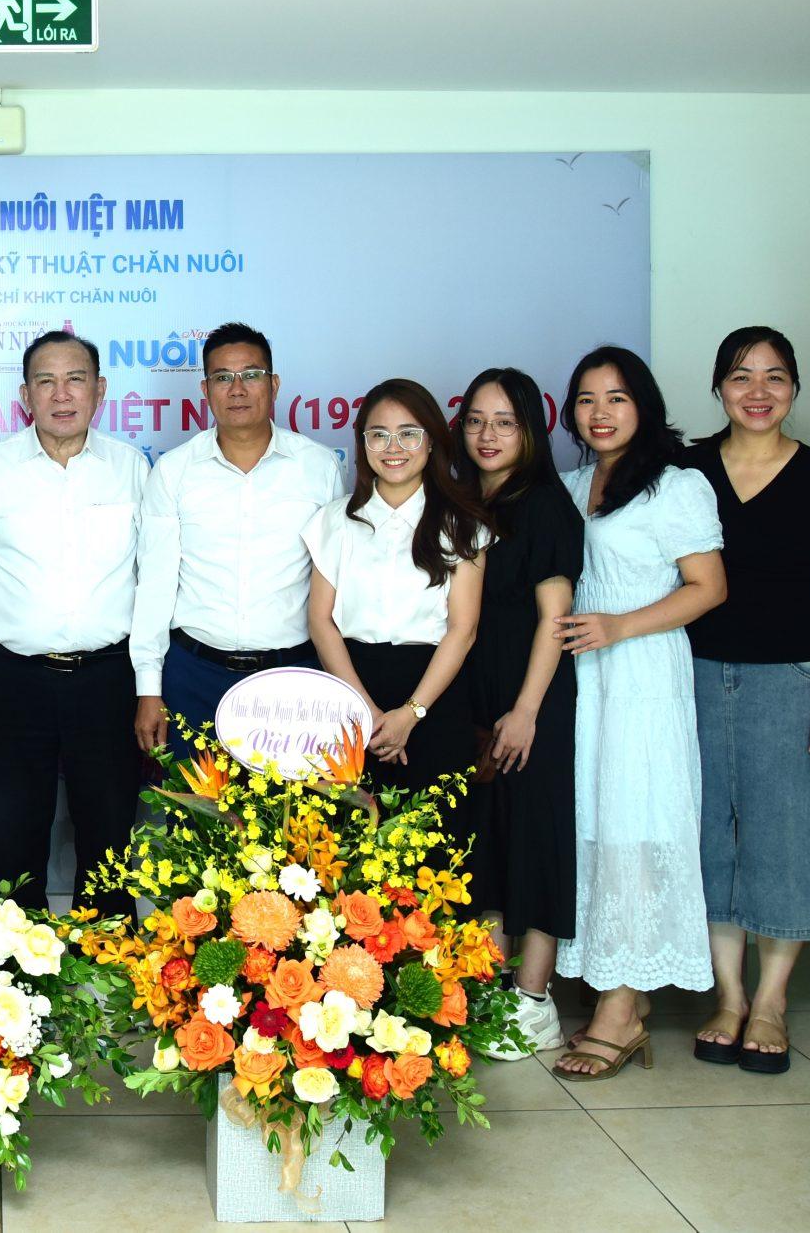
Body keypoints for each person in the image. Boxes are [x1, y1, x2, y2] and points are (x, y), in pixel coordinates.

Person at [682, 328, 810, 1073]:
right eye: (741, 376)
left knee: (786, 838)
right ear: (718, 387)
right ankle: (728, 996)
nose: (758, 392)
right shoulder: (687, 470)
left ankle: (771, 1001)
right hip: (693, 675)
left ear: (794, 387)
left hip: (793, 678)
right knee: (708, 837)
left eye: (775, 377)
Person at [553, 345, 728, 1080]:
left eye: (617, 397)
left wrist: (620, 626)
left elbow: (709, 587)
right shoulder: (568, 485)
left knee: (633, 825)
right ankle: (622, 987)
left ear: (644, 406)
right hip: (582, 677)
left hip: (642, 672)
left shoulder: (676, 485)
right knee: (593, 825)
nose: (601, 413)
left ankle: (620, 1011)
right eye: (587, 399)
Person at [0, 330, 158, 915]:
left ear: (100, 390)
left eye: (76, 379)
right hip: (13, 682)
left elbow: (153, 585)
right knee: (9, 837)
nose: (62, 394)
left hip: (107, 680)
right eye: (46, 381)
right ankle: (16, 963)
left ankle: (109, 956)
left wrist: (148, 687)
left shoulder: (131, 468)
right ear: (25, 395)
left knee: (109, 836)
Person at [449, 368, 585, 1060]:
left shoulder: (545, 506)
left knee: (536, 841)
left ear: (531, 428)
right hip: (471, 704)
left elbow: (555, 619)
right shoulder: (461, 502)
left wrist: (527, 709)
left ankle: (534, 999)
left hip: (531, 702)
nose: (488, 434)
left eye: (504, 422)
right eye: (476, 420)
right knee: (488, 844)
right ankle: (493, 988)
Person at [131, 323, 343, 753]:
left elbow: (336, 582)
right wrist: (148, 688)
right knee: (194, 797)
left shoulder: (319, 467)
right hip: (195, 677)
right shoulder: (174, 471)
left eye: (251, 374)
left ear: (274, 384)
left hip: (292, 678)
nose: (238, 389)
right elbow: (155, 586)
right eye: (223, 377)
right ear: (205, 390)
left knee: (292, 800)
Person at [302, 379, 489, 796]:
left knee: (437, 830)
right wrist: (365, 711)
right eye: (379, 435)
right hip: (351, 693)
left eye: (408, 434)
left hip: (435, 695)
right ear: (363, 443)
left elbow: (463, 630)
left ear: (431, 441)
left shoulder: (462, 524)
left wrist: (411, 713)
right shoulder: (334, 521)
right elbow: (320, 621)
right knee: (346, 831)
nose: (393, 447)